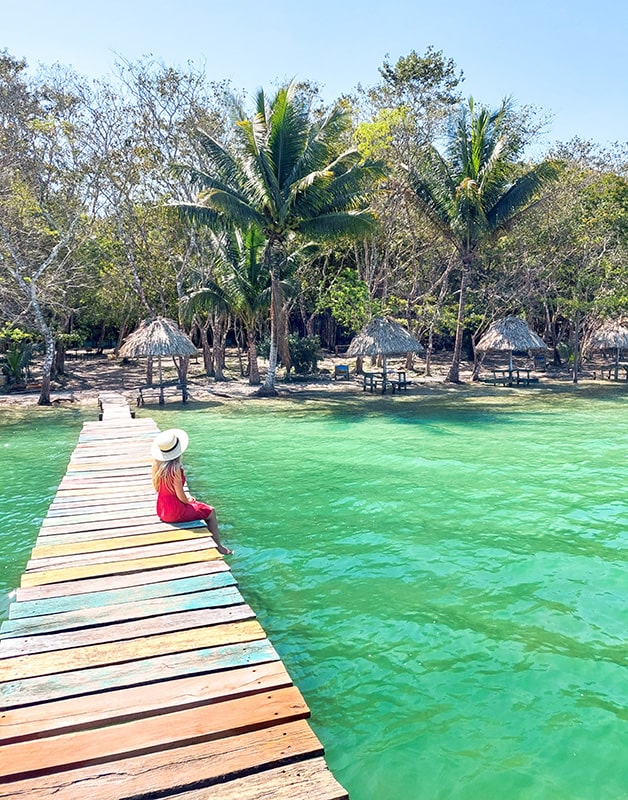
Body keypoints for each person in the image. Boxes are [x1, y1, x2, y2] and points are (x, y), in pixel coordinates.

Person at [151, 428, 232, 555]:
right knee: (210, 511)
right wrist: (188, 500)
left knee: (198, 507)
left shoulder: (157, 467)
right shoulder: (175, 469)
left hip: (162, 510)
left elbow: (159, 489)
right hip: (175, 512)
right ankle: (218, 547)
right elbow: (180, 495)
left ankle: (217, 544)